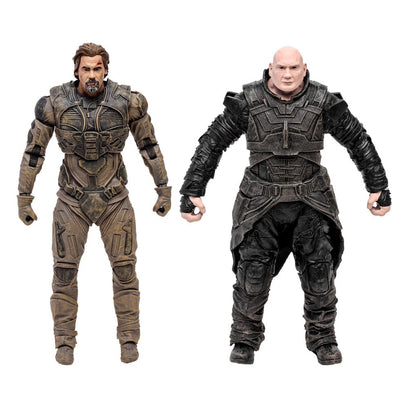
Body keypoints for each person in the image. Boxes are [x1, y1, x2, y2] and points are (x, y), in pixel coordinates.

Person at [180, 46, 391, 365]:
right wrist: (193, 190)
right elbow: (213, 142)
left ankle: (323, 337)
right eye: (281, 68)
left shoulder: (322, 101)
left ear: (304, 69)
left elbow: (357, 139)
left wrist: (378, 185)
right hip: (260, 202)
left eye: (294, 68)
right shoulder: (248, 102)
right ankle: (244, 339)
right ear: (270, 68)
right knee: (252, 275)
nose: (288, 74)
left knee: (320, 274)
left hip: (311, 201)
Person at [17, 43, 171, 365]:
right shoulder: (54, 103)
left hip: (114, 197)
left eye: (97, 68)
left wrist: (163, 188)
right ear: (76, 71)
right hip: (71, 199)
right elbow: (34, 151)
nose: (91, 75)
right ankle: (64, 342)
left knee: (125, 270)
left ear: (105, 70)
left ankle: (129, 339)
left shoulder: (128, 102)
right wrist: (24, 197)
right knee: (63, 273)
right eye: (85, 68)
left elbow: (148, 145)